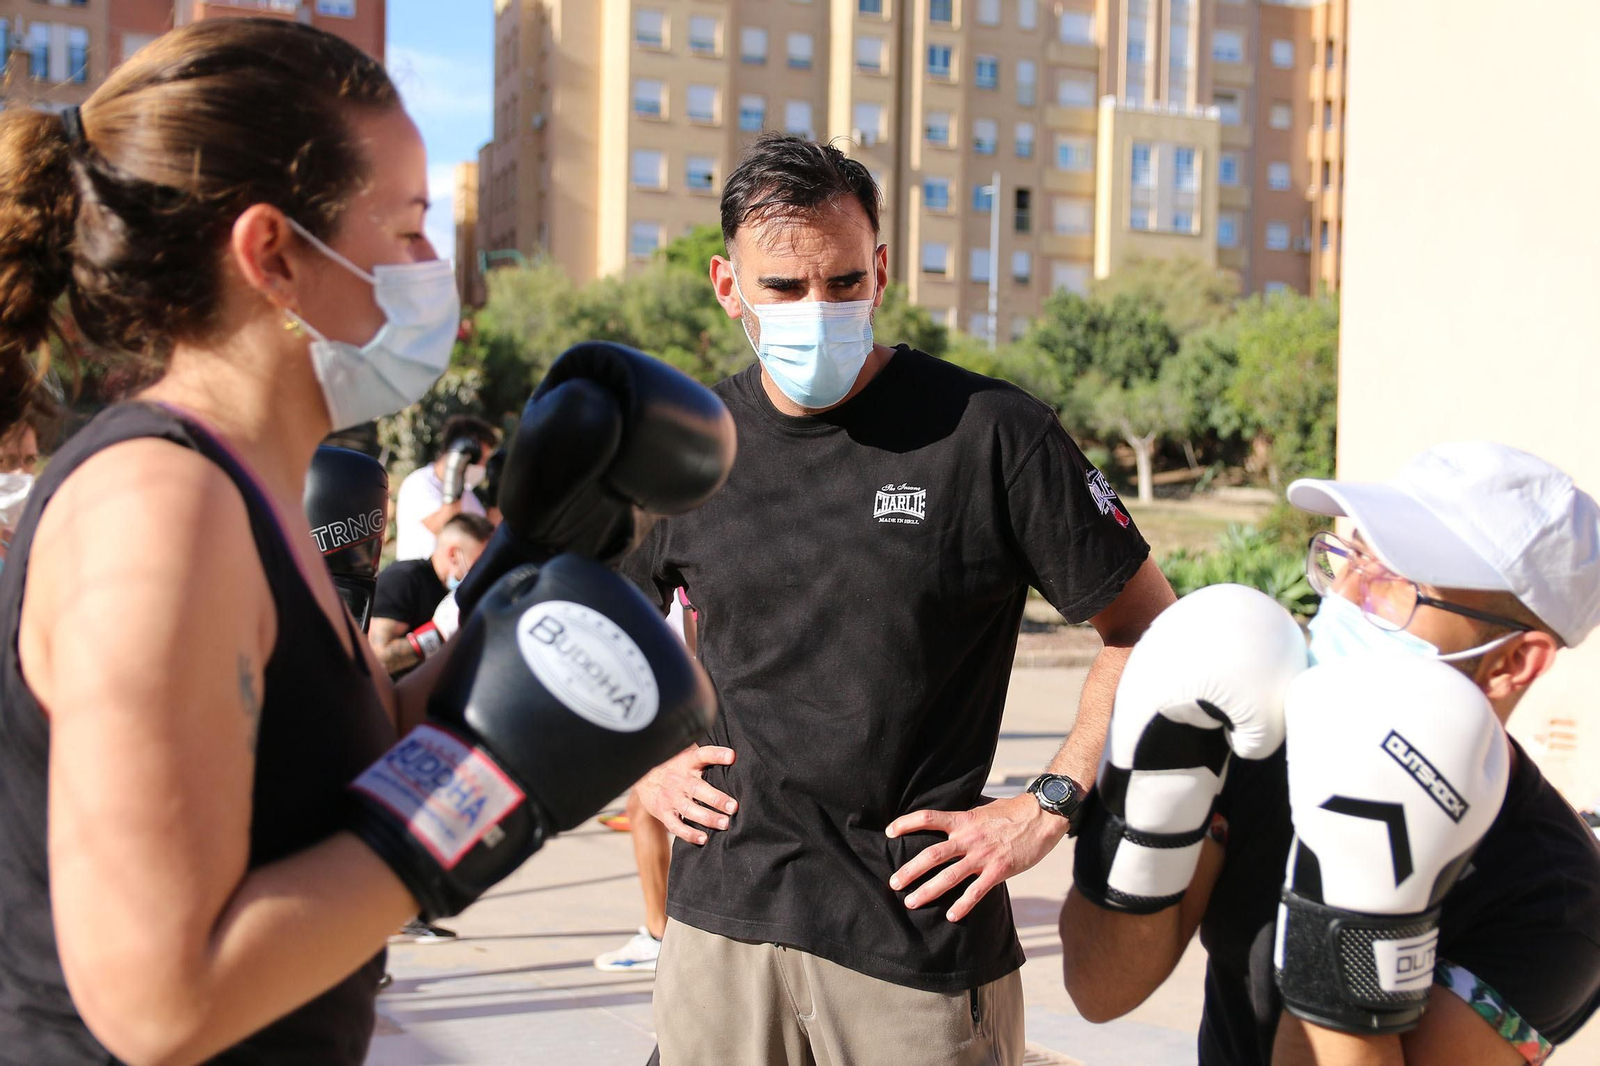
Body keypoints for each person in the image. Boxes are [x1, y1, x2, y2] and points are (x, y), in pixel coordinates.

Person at [0, 19, 730, 1064]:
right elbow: (160, 1000)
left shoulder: (245, 491)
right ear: (273, 255)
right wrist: (478, 785)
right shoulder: (157, 511)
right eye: (407, 230)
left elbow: (332, 745)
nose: (437, 268)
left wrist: (521, 569)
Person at [622, 133, 1175, 1066]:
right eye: (784, 289)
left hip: (915, 950)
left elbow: (1151, 625)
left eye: (842, 284)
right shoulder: (682, 446)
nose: (818, 311)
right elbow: (588, 626)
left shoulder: (994, 434)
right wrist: (637, 767)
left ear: (880, 269)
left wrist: (1049, 802)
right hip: (719, 932)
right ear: (728, 287)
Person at [1060, 441, 1600, 1065]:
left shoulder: (1555, 900)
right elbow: (1099, 990)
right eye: (1353, 555)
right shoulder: (1258, 738)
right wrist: (1152, 784)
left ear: (1514, 662)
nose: (1344, 593)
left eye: (1395, 583)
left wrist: (1356, 911)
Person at [594, 588, 696, 974]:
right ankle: (662, 932)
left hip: (693, 698)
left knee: (645, 807)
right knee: (643, 806)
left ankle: (660, 934)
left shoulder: (680, 570)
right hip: (684, 695)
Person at [369, 512, 492, 677]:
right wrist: (437, 633)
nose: (485, 571)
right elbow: (378, 659)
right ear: (454, 555)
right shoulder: (402, 580)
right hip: (395, 697)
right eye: (481, 562)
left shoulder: (462, 591)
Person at [392, 414, 496, 561]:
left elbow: (488, 534)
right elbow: (444, 529)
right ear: (463, 452)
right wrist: (455, 472)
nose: (483, 466)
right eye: (482, 459)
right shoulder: (419, 483)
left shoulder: (466, 493)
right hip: (419, 580)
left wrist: (497, 496)